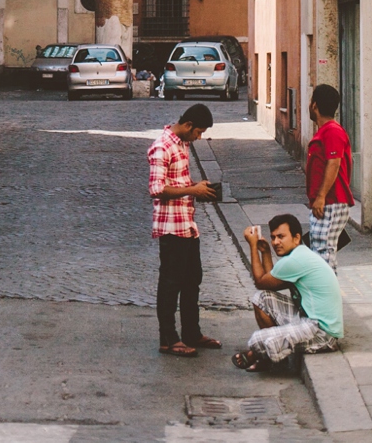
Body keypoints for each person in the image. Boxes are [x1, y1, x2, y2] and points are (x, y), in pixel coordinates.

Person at [147, 103, 220, 358]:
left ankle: (191, 332)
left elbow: (178, 181)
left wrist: (200, 188)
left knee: (192, 281)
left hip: (188, 225)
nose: (199, 138)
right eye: (198, 132)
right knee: (170, 283)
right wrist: (192, 190)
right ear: (188, 125)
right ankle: (168, 339)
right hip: (170, 227)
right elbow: (156, 189)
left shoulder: (183, 144)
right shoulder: (161, 147)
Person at [232, 214, 343, 372]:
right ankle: (268, 355)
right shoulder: (298, 255)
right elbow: (268, 286)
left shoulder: (295, 261)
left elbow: (260, 281)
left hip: (322, 332)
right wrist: (265, 252)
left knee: (256, 340)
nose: (276, 242)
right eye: (273, 237)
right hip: (308, 319)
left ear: (296, 238)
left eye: (281, 237)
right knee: (261, 298)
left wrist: (252, 246)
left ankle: (260, 356)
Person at [306, 84, 354, 271]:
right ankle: (325, 295)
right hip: (326, 201)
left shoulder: (332, 131)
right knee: (321, 251)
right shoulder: (326, 131)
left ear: (315, 105)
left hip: (330, 201)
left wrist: (321, 196)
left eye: (311, 101)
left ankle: (325, 296)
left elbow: (333, 163)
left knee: (323, 253)